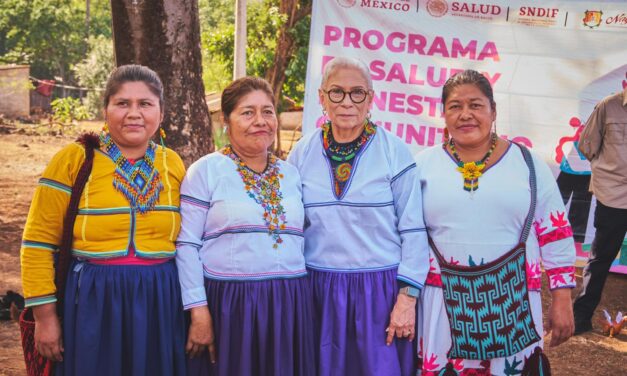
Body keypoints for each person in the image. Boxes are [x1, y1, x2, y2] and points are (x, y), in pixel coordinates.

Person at [20, 65, 187, 375]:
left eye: (145, 104)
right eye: (122, 103)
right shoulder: (74, 159)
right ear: (106, 109)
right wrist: (45, 317)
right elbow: (37, 241)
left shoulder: (172, 164)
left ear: (161, 114)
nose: (134, 113)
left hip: (159, 301)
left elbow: (189, 242)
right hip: (93, 301)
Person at [415, 70, 576, 375]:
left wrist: (562, 296)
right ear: (443, 114)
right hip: (442, 305)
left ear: (493, 111)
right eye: (455, 106)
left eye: (475, 105)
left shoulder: (528, 165)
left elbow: (555, 232)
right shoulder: (422, 165)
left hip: (513, 306)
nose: (466, 115)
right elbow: (408, 235)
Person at [287, 57, 429, 376]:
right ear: (322, 98)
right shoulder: (302, 153)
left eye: (357, 93)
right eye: (337, 92)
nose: (347, 102)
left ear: (371, 99)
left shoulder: (394, 152)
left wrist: (407, 299)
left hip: (379, 291)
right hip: (318, 291)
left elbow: (414, 230)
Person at [176, 76, 315, 376]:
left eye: (267, 111)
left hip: (289, 304)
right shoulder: (206, 171)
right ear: (226, 120)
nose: (260, 121)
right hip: (231, 305)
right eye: (247, 112)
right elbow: (186, 244)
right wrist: (198, 311)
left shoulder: (291, 174)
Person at [573, 85, 627, 335]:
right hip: (613, 195)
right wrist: (608, 169)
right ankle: (580, 318)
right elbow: (587, 145)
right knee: (601, 258)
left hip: (612, 191)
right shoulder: (608, 106)